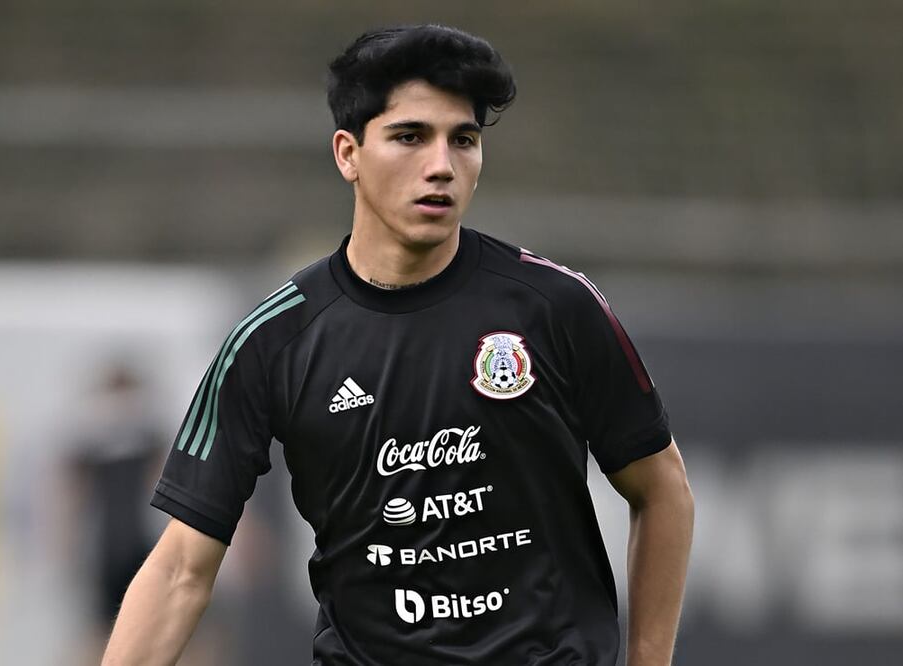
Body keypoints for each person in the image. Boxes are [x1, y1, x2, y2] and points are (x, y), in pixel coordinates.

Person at [102, 24, 694, 666]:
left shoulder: (555, 306)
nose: (440, 164)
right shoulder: (272, 342)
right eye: (410, 136)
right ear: (347, 153)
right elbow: (180, 570)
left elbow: (661, 490)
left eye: (462, 140)